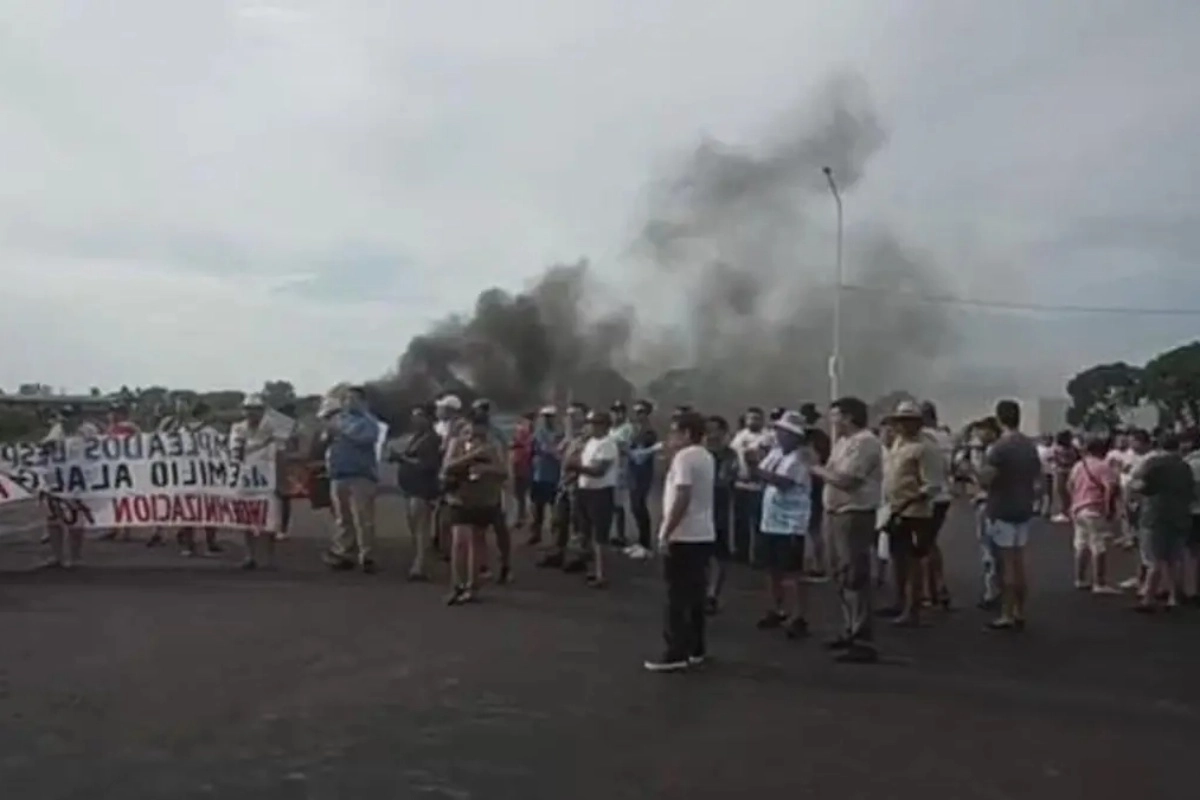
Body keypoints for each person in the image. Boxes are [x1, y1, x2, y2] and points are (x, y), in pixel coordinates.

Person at [812, 396, 883, 664]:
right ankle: (849, 628)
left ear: (849, 417)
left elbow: (846, 480)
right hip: (836, 513)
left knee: (854, 575)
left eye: (836, 416)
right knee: (841, 574)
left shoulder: (866, 443)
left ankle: (862, 637)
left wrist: (815, 468)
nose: (832, 421)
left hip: (854, 514)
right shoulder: (843, 443)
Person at [644, 411, 716, 673]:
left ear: (686, 434)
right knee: (695, 595)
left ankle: (676, 651)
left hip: (684, 534)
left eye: (674, 432)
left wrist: (666, 530)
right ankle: (696, 648)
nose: (670, 437)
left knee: (676, 596)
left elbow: (682, 495)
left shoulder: (685, 458)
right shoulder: (705, 456)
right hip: (703, 533)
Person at [978, 399, 1042, 631]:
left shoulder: (999, 448)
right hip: (1023, 507)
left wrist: (974, 472)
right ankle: (1019, 611)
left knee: (1006, 564)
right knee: (1020, 562)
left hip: (1002, 507)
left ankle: (1006, 613)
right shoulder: (1029, 446)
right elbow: (1037, 477)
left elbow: (987, 479)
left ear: (999, 418)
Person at [752, 410, 813, 639]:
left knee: (793, 572)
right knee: (772, 569)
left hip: (791, 522)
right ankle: (777, 609)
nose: (778, 435)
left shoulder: (800, 458)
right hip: (771, 519)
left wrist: (756, 469)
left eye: (784, 432)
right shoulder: (776, 453)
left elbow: (783, 482)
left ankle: (799, 616)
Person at [880, 401, 939, 627]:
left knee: (913, 561)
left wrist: (908, 500)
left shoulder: (925, 448)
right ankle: (899, 601)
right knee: (898, 559)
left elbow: (931, 485)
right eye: (900, 421)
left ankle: (912, 607)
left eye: (907, 421)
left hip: (916, 512)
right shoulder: (898, 444)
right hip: (896, 510)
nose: (902, 426)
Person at [441, 407, 508, 605]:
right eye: (468, 432)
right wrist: (471, 457)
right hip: (459, 498)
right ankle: (456, 585)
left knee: (476, 542)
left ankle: (473, 586)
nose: (473, 437)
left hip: (482, 499)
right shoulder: (457, 444)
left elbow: (503, 472)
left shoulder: (492, 447)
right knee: (459, 542)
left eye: (478, 433)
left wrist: (487, 468)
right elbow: (447, 466)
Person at [320, 386, 382, 574]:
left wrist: (341, 429)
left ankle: (367, 555)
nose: (349, 402)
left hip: (360, 475)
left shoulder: (369, 422)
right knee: (343, 518)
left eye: (353, 399)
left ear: (363, 401)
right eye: (346, 399)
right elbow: (325, 440)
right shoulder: (339, 419)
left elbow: (365, 438)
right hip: (339, 474)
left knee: (362, 518)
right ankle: (344, 552)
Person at [1130, 432, 1194, 612]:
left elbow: (1141, 486)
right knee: (1175, 558)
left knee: (1154, 559)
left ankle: (1148, 597)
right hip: (1180, 515)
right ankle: (1174, 596)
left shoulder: (1153, 464)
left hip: (1155, 515)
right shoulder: (1184, 467)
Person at [230, 395, 280, 569]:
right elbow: (236, 452)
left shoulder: (273, 427)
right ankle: (250, 556)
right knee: (247, 522)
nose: (252, 413)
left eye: (256, 409)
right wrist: (263, 444)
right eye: (249, 409)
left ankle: (269, 558)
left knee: (269, 522)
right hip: (245, 480)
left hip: (266, 481)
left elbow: (283, 449)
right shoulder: (238, 428)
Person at [393, 404, 442, 581]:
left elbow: (429, 465)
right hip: (411, 487)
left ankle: (421, 565)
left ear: (429, 418)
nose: (415, 419)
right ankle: (419, 560)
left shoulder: (432, 439)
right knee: (415, 527)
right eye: (414, 416)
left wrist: (403, 459)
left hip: (423, 488)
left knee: (421, 527)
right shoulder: (417, 437)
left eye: (419, 416)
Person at [1067, 434, 1121, 594]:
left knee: (1081, 544)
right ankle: (1099, 582)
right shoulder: (1103, 466)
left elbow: (1069, 485)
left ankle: (1080, 578)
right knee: (1098, 545)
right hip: (1094, 508)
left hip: (1078, 508)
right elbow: (1110, 488)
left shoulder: (1078, 465)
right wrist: (1109, 508)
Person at [576, 409, 619, 587]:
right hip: (586, 490)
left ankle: (602, 574)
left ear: (606, 426)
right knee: (586, 532)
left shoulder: (608, 444)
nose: (592, 426)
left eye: (596, 423)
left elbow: (599, 471)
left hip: (601, 491)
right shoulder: (591, 442)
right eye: (591, 423)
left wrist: (576, 468)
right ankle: (593, 569)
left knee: (600, 535)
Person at [920, 400, 954, 609]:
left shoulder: (924, 438)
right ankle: (937, 586)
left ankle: (930, 590)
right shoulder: (945, 437)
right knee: (930, 542)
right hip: (944, 493)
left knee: (922, 545)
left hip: (928, 494)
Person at [704, 415, 738, 614]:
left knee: (719, 556)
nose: (710, 435)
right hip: (698, 510)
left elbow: (725, 479)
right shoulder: (698, 453)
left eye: (714, 430)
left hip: (719, 510)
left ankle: (712, 594)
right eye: (707, 430)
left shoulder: (729, 455)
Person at [731, 406, 771, 564]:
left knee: (759, 522)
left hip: (759, 486)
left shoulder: (768, 437)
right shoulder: (740, 436)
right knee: (740, 522)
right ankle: (741, 553)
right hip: (741, 485)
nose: (753, 421)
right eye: (750, 418)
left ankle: (760, 555)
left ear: (762, 420)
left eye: (756, 418)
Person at [799, 402, 831, 582]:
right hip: (814, 483)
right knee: (813, 527)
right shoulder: (821, 437)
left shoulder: (803, 438)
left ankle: (814, 564)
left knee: (811, 527)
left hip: (809, 483)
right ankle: (815, 564)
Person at [625, 400, 661, 560]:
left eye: (641, 412)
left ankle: (646, 544)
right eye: (637, 412)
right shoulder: (635, 430)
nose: (638, 415)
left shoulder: (648, 432)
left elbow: (642, 454)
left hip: (643, 473)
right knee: (634, 506)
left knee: (640, 506)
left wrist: (630, 452)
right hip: (633, 472)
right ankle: (640, 542)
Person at [527, 406, 562, 545]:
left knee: (555, 508)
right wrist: (560, 455)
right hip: (539, 474)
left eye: (550, 416)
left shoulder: (560, 432)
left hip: (554, 475)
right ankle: (536, 534)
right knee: (537, 507)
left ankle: (554, 537)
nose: (548, 419)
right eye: (545, 416)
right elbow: (545, 449)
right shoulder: (539, 432)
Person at [608, 400, 634, 549]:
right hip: (609, 469)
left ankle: (620, 534)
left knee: (618, 504)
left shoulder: (626, 428)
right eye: (614, 411)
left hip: (620, 468)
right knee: (609, 503)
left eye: (619, 411)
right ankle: (613, 533)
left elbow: (623, 446)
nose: (617, 415)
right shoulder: (611, 429)